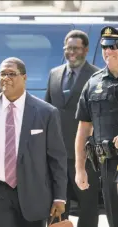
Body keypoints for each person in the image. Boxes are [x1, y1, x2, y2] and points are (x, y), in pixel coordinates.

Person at [0, 57, 68, 227]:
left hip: (34, 193)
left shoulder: (46, 112)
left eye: (12, 74)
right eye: (2, 74)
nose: (6, 78)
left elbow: (57, 157)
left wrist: (59, 196)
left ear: (25, 77)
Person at [45, 30, 100, 227]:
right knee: (59, 206)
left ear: (86, 50)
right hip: (57, 155)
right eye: (68, 48)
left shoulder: (97, 76)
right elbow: (46, 112)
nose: (72, 52)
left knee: (88, 207)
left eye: (76, 48)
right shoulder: (54, 74)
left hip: (85, 156)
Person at [75, 26, 118, 227]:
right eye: (104, 46)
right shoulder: (93, 83)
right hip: (108, 166)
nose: (108, 51)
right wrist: (80, 168)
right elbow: (84, 129)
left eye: (114, 46)